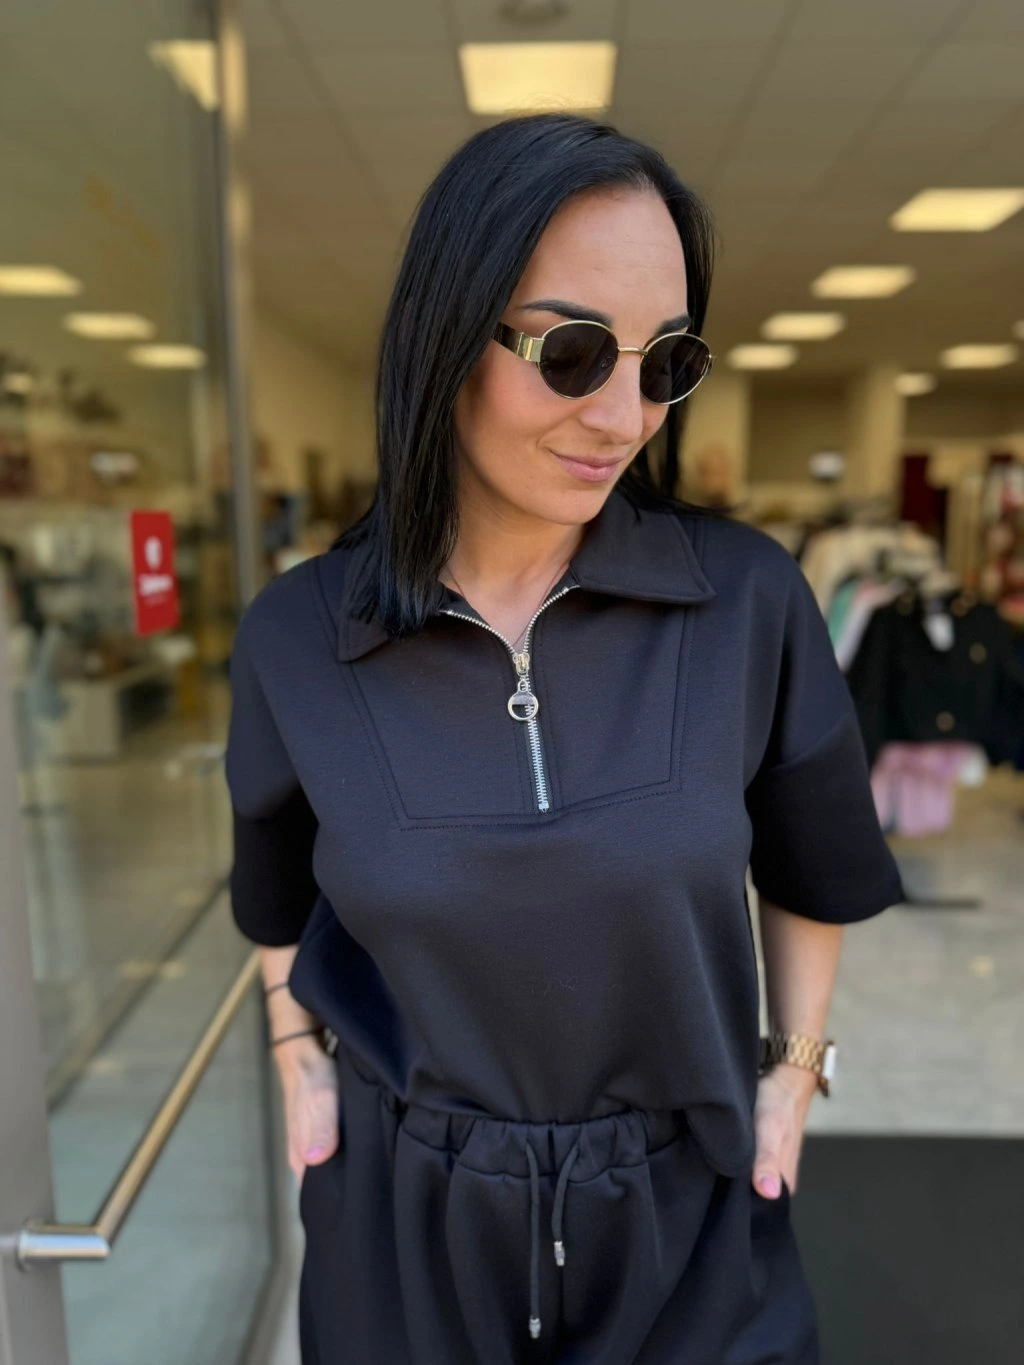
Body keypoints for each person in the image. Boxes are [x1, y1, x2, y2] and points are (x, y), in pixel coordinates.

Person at [225, 113, 905, 1365]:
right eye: (573, 352)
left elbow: (815, 866)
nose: (623, 414)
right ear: (445, 336)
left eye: (666, 362)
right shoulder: (298, 637)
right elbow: (274, 889)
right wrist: (291, 1052)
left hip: (687, 1207)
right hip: (406, 1217)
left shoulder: (745, 600)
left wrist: (794, 1070)